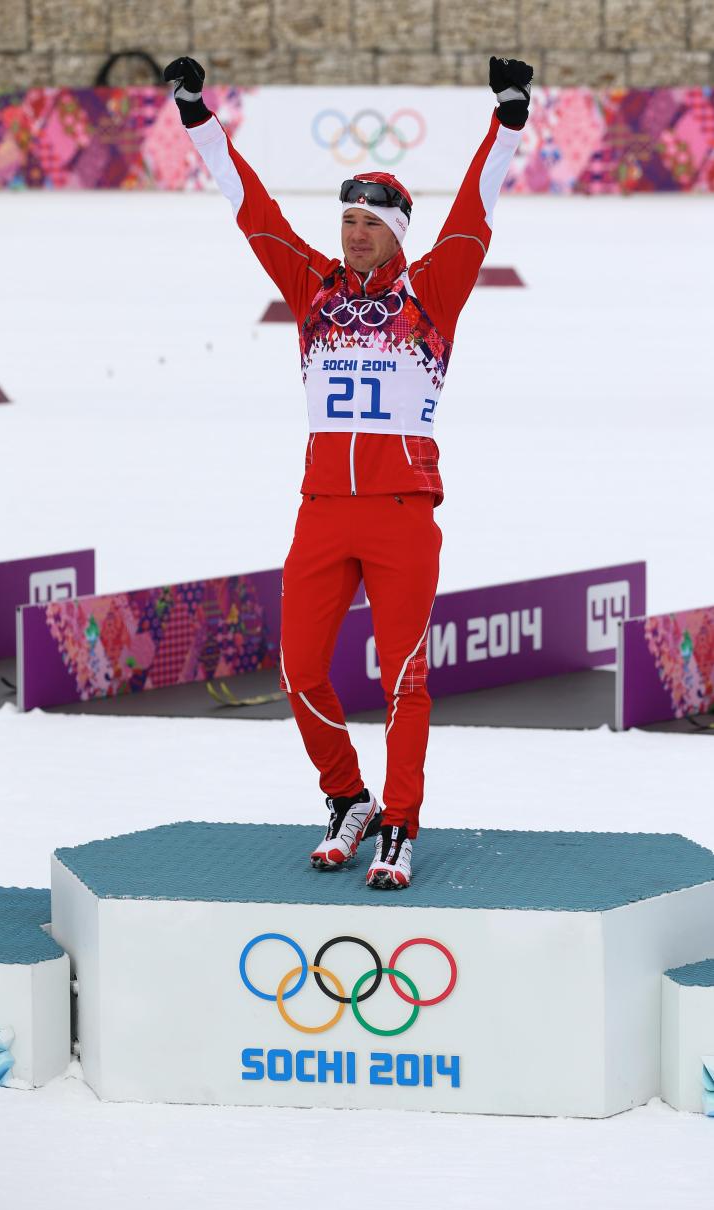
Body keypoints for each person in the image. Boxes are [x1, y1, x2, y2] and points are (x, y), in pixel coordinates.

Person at [165, 56, 532, 888]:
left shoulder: (433, 290)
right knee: (299, 670)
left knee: (405, 678)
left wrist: (507, 120)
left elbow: (477, 205)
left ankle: (400, 823)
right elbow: (250, 207)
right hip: (324, 508)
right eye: (348, 220)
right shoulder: (312, 289)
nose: (355, 232)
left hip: (403, 511)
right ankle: (347, 797)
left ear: (399, 230)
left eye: (371, 221)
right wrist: (198, 118)